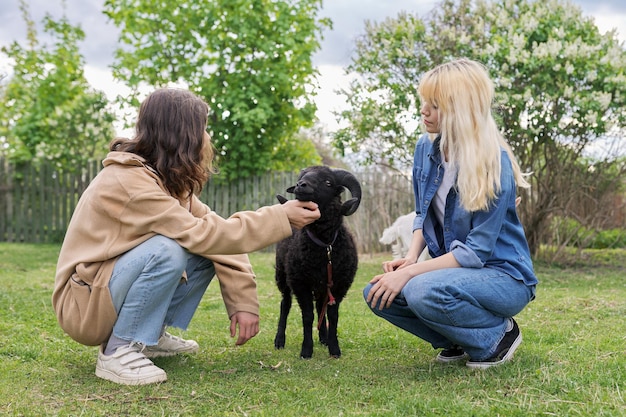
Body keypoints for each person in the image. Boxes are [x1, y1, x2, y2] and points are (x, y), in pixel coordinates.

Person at [52, 88, 321, 385]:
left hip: (104, 290)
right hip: (83, 304)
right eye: (203, 129)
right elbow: (203, 234)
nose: (208, 138)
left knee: (202, 250)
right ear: (183, 134)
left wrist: (243, 303)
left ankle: (148, 336)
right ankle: (117, 350)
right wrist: (281, 217)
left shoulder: (165, 182)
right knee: (168, 249)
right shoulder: (128, 182)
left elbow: (217, 233)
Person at [364, 58, 538, 369]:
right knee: (377, 292)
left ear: (461, 109)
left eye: (435, 105)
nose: (424, 111)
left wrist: (410, 275)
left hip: (505, 278)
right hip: (455, 273)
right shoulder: (425, 148)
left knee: (419, 288)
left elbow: (475, 252)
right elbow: (422, 214)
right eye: (424, 102)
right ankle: (455, 339)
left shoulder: (493, 163)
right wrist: (411, 259)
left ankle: (498, 337)